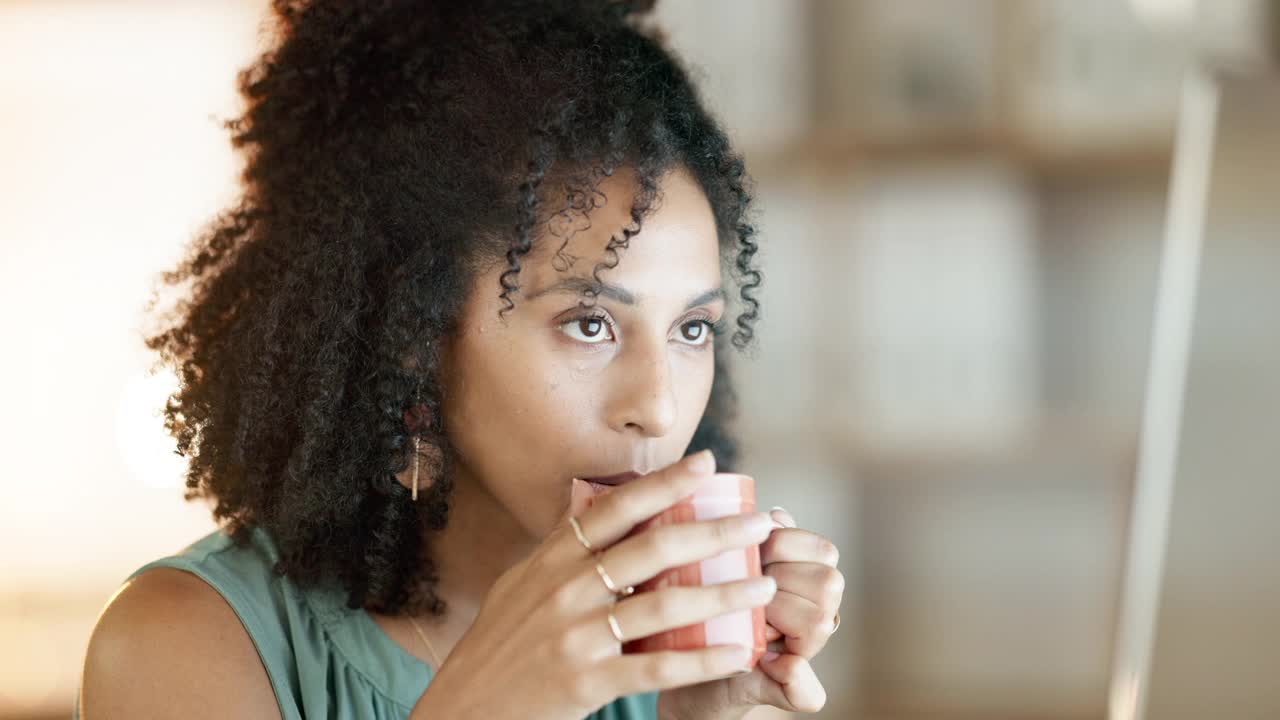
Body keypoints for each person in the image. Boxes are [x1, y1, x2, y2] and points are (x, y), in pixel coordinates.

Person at [76, 1, 843, 718]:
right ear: (418, 324)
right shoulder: (180, 641)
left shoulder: (648, 653)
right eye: (589, 323)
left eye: (693, 330)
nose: (662, 406)